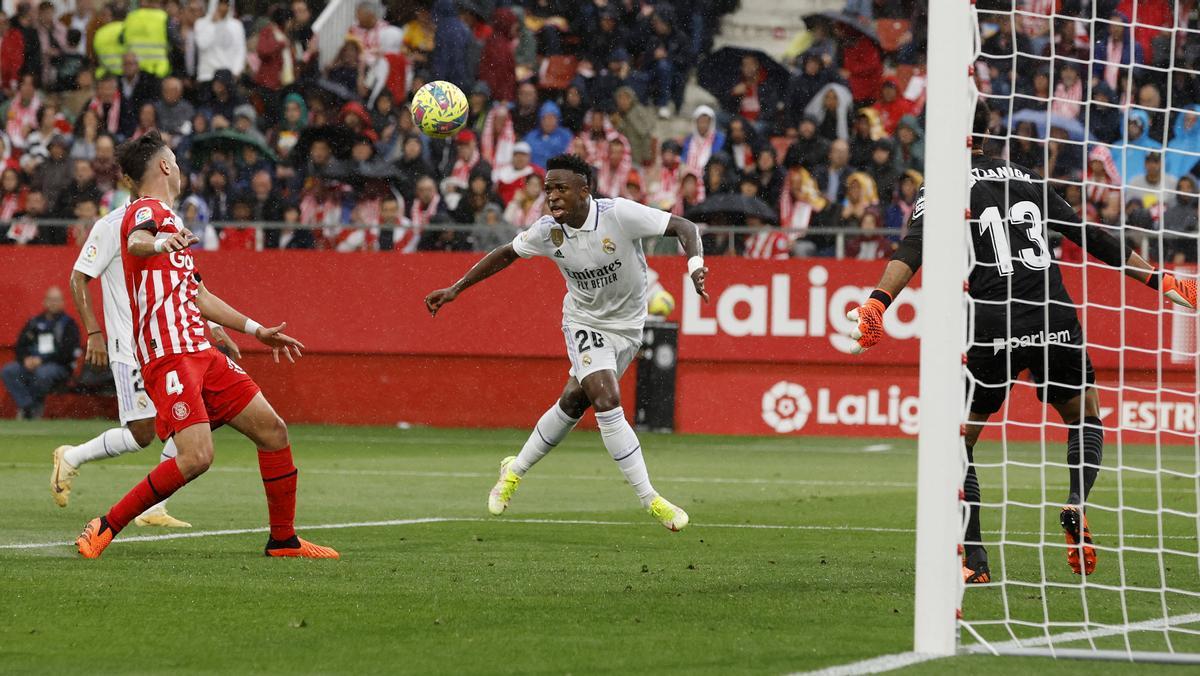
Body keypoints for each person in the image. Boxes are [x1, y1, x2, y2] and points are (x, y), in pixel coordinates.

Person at [844, 100, 1198, 584]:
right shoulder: (1028, 176)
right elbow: (1089, 235)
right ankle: (1075, 502)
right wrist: (1157, 279)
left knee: (958, 441)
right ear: (988, 132)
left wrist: (878, 301)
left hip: (991, 325)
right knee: (1085, 413)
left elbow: (914, 246)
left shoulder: (943, 184)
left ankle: (974, 560)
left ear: (948, 133)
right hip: (1053, 313)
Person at [73, 130, 337, 560]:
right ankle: (105, 524)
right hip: (169, 353)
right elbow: (140, 242)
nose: (178, 166)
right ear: (163, 166)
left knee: (272, 431)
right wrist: (159, 241)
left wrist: (257, 329)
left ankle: (283, 540)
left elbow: (198, 294)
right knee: (197, 457)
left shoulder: (173, 222)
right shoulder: (146, 211)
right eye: (173, 159)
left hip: (201, 351)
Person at [424, 154, 709, 531]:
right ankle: (650, 499)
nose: (553, 197)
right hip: (584, 322)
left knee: (575, 402)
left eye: (561, 189)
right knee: (607, 399)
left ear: (584, 191)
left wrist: (695, 266)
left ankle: (515, 468)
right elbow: (507, 253)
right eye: (548, 190)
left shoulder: (619, 214)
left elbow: (685, 226)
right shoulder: (546, 231)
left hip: (628, 327)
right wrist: (457, 289)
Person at [53, 189, 238, 525]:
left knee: (196, 415)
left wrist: (212, 324)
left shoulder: (166, 221)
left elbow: (182, 284)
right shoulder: (112, 225)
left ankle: (154, 507)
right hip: (130, 343)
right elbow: (79, 276)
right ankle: (72, 456)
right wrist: (95, 332)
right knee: (142, 433)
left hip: (168, 342)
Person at [2, 287, 79, 420]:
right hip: (31, 363)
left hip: (57, 366)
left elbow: (68, 353)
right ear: (44, 302)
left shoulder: (68, 325)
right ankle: (27, 406)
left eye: (56, 300)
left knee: (42, 374)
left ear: (62, 303)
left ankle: (34, 408)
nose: (53, 303)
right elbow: (21, 345)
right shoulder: (34, 322)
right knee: (8, 371)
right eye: (50, 299)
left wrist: (42, 360)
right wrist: (25, 359)